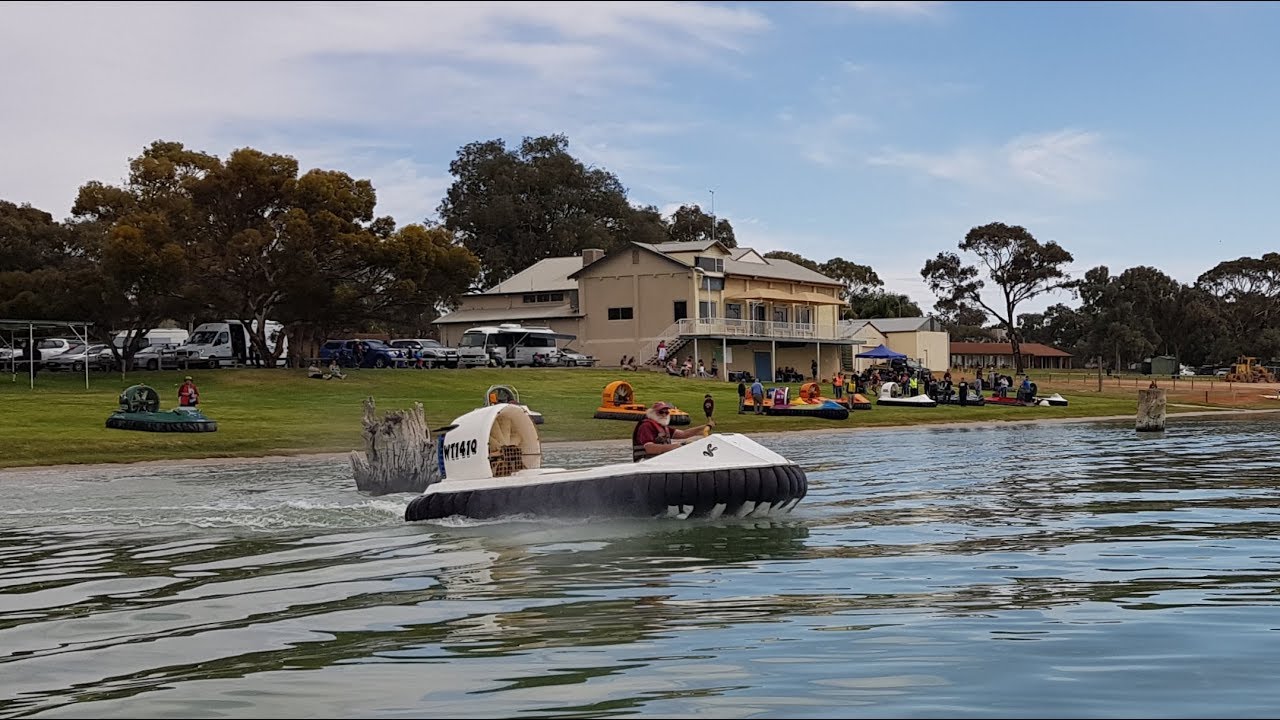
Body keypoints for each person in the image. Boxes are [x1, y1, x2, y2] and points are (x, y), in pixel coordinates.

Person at [632, 401, 715, 462]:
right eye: (661, 412)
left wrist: (705, 426)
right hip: (645, 462)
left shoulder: (663, 427)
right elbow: (650, 449)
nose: (664, 415)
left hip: (659, 460)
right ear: (652, 413)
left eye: (666, 412)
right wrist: (677, 446)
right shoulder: (646, 426)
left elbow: (684, 434)